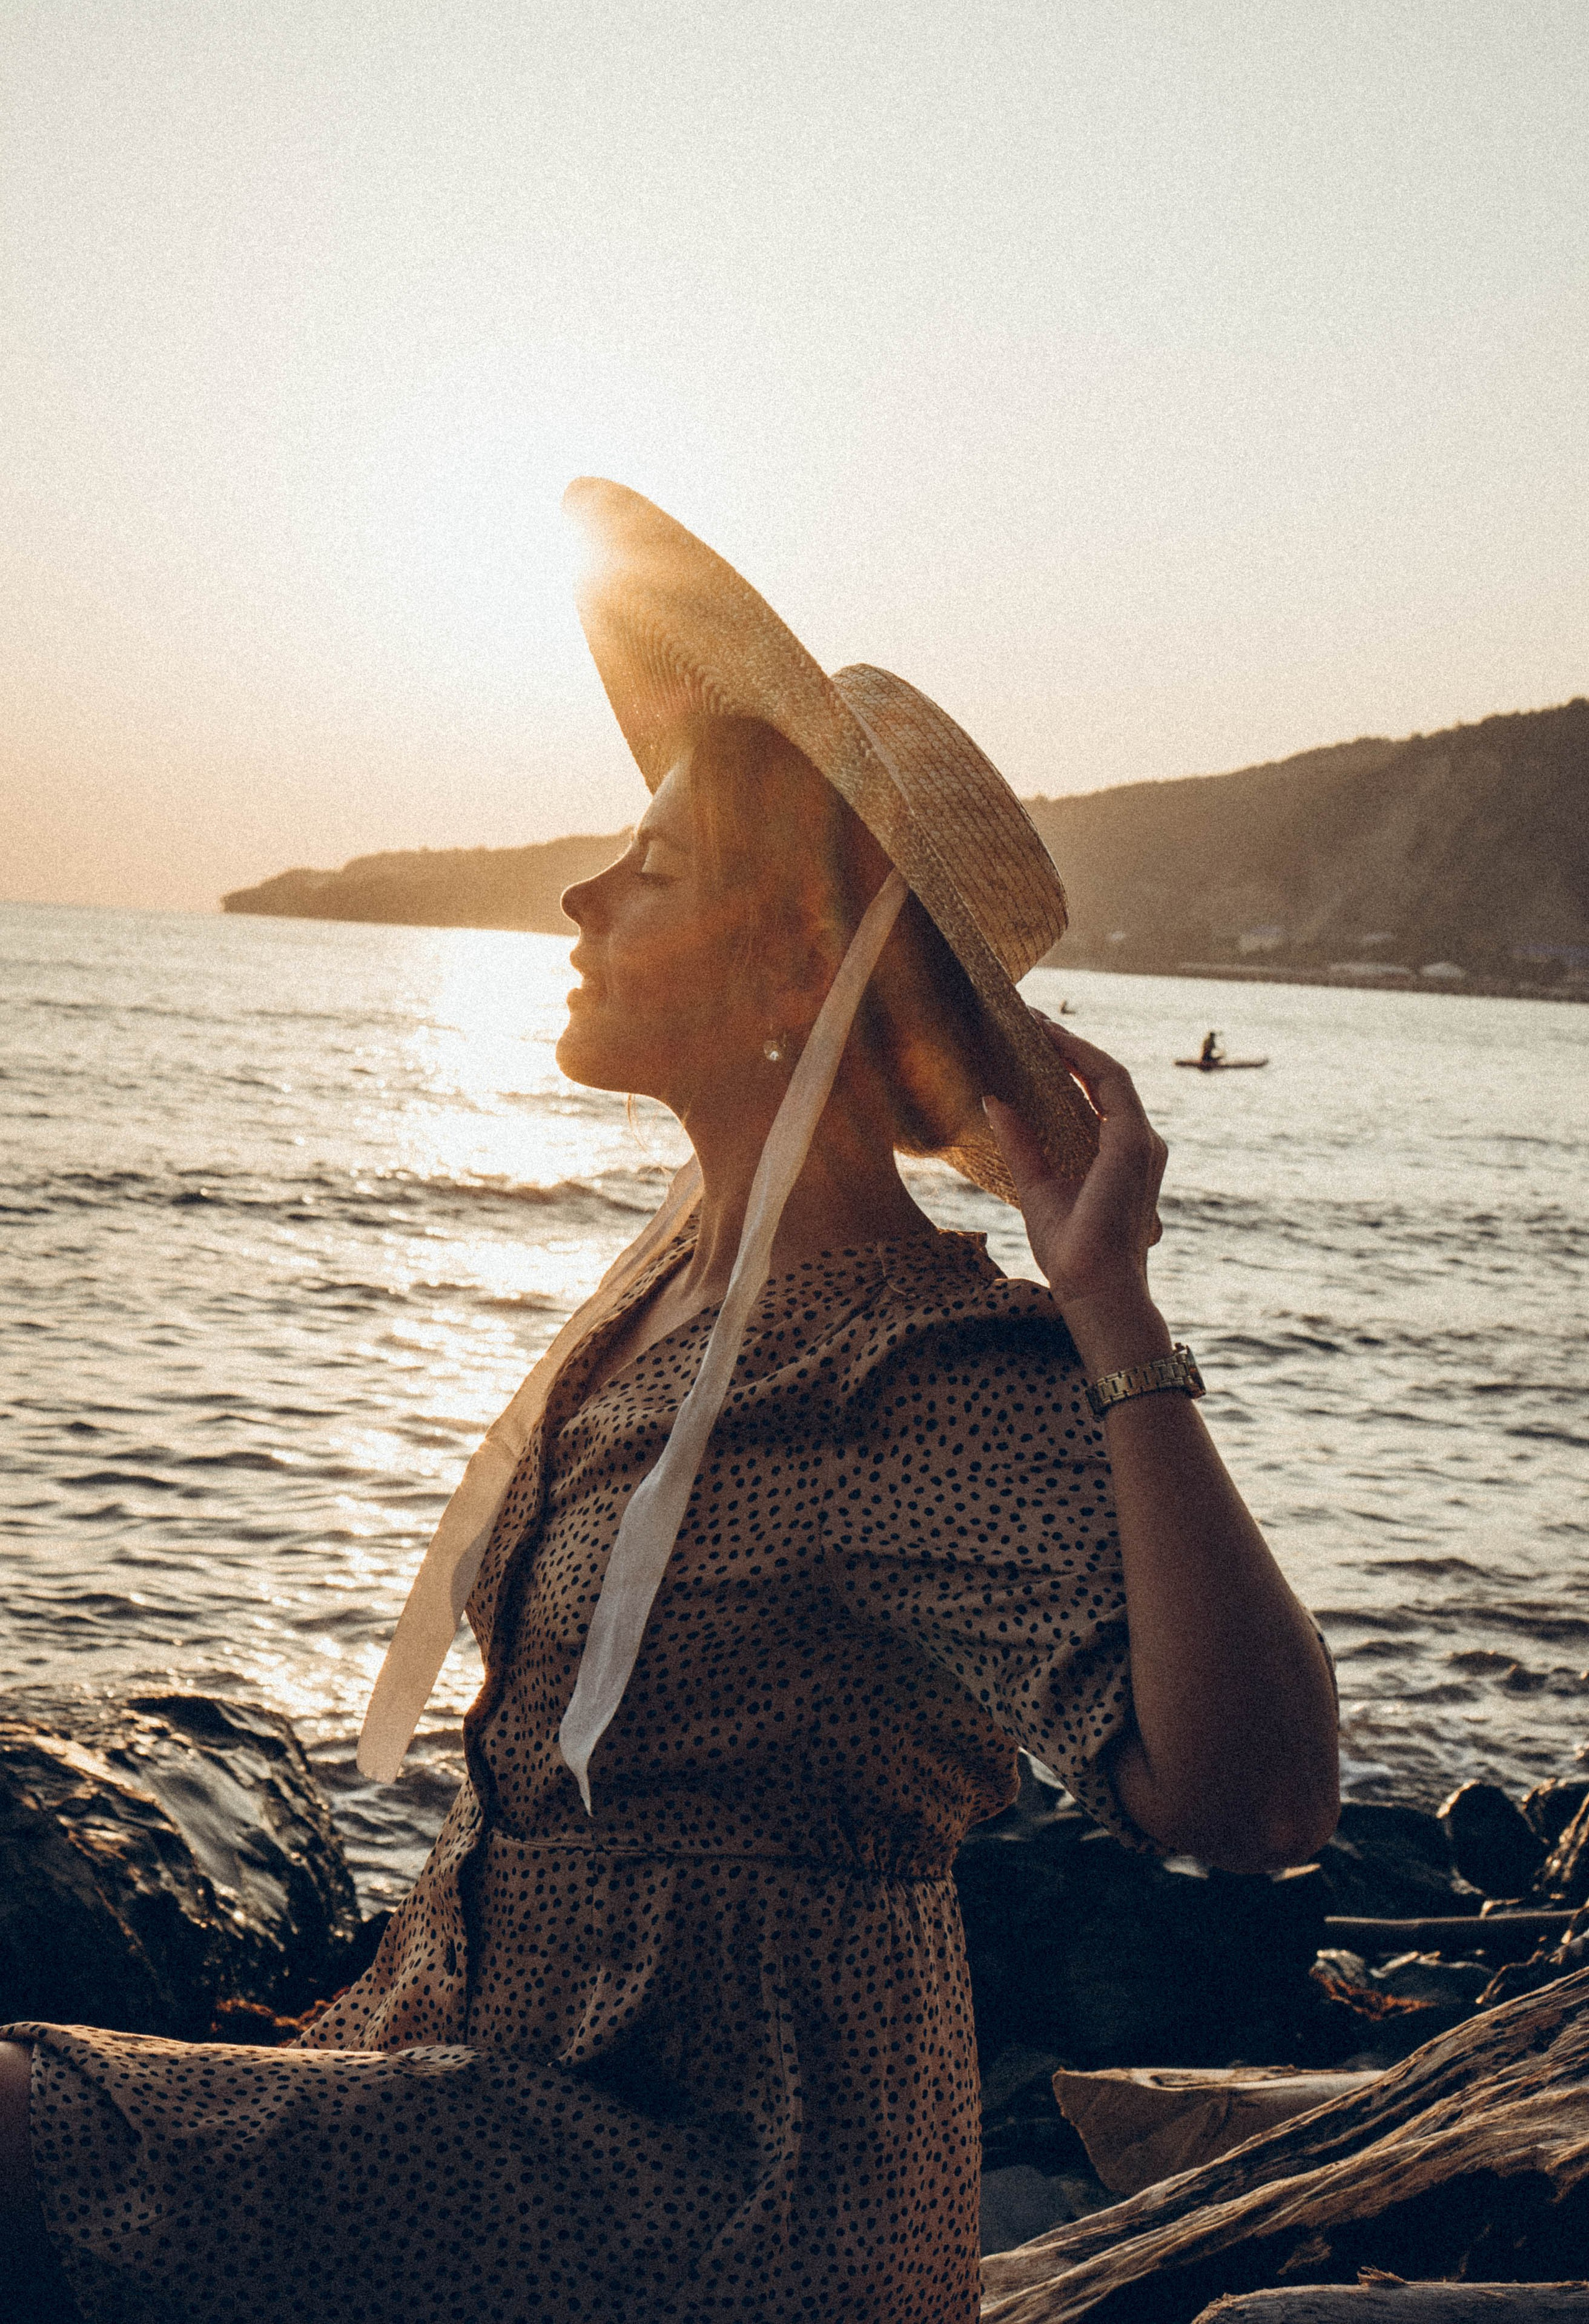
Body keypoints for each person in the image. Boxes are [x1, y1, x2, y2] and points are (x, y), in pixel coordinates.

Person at [0, 482, 1339, 2324]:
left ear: (796, 966)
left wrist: (1110, 1303)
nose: (582, 893)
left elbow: (1258, 1800)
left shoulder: (915, 1372)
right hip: (499, 2093)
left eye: (658, 866)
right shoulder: (664, 1302)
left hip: (736, 2188)